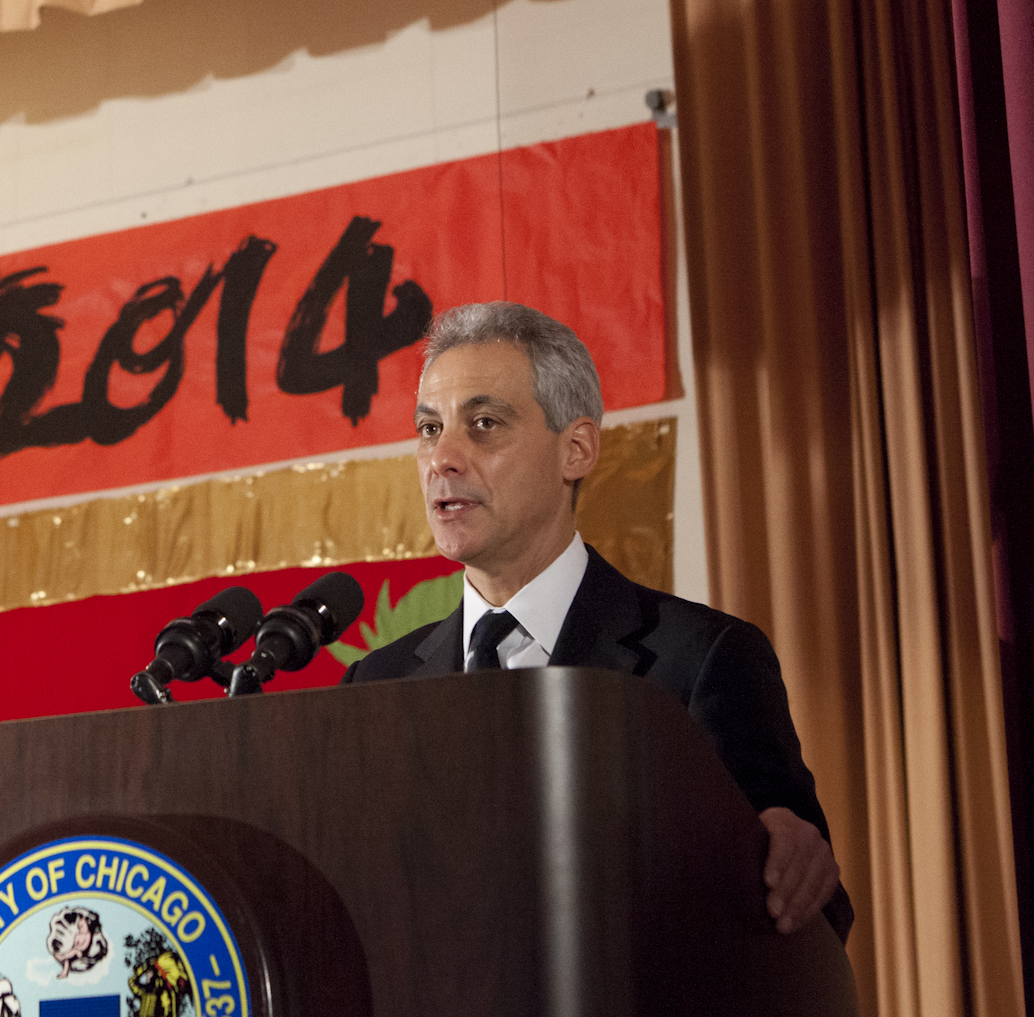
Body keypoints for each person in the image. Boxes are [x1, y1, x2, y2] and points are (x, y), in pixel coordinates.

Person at [339, 302, 851, 941]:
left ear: (575, 449)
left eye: (484, 423)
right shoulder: (374, 685)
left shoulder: (701, 661)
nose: (442, 458)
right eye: (429, 429)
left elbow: (813, 922)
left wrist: (787, 852)